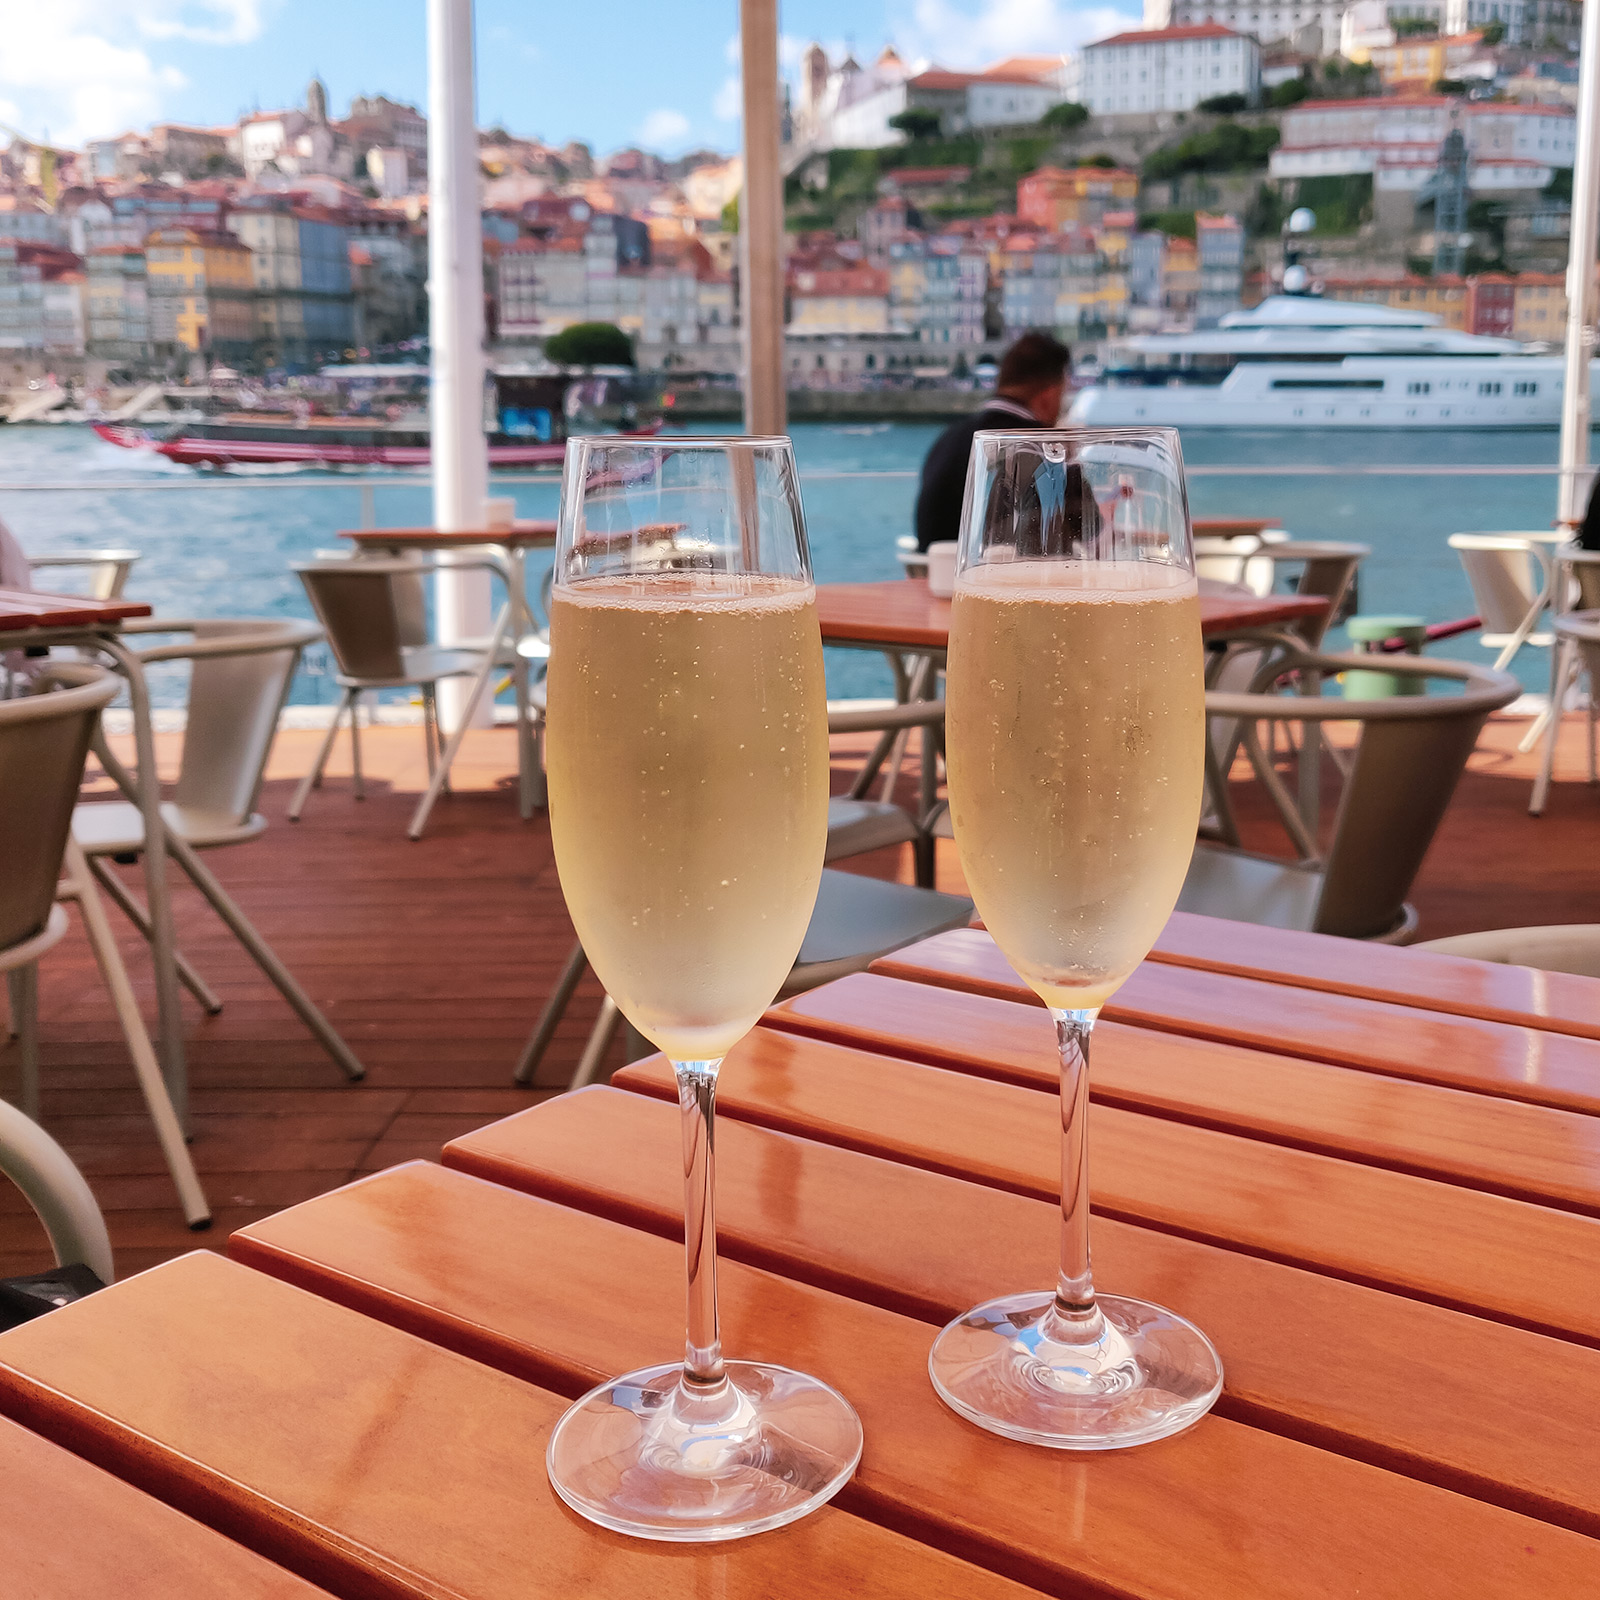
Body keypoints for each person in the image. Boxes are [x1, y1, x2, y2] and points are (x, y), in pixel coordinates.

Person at [913, 331, 1072, 552]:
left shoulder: (952, 436)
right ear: (1049, 395)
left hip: (935, 566)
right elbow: (1071, 535)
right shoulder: (1038, 446)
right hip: (989, 567)